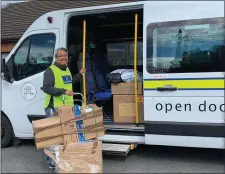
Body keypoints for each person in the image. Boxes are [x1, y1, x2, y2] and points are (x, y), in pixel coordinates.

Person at [41, 47, 85, 169]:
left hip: (65, 108)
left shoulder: (66, 70)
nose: (64, 58)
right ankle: (52, 162)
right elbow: (47, 88)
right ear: (56, 57)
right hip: (53, 107)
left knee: (64, 136)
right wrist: (63, 91)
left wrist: (79, 75)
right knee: (54, 137)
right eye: (61, 56)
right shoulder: (50, 71)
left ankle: (63, 160)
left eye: (66, 55)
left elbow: (69, 83)